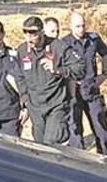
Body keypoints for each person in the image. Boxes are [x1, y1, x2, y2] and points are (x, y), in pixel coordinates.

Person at [15, 16, 85, 145]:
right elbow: (19, 75)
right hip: (35, 107)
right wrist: (25, 99)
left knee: (51, 143)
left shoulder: (58, 47)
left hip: (56, 105)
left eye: (33, 33)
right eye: (25, 32)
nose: (29, 37)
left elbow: (80, 68)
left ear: (42, 32)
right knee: (40, 146)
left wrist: (58, 70)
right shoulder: (22, 50)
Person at [62, 12, 107, 155]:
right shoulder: (64, 43)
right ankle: (79, 162)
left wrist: (103, 74)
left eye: (83, 25)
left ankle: (106, 161)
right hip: (74, 92)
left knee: (101, 129)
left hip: (92, 89)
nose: (81, 29)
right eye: (77, 26)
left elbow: (105, 53)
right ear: (70, 26)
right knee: (75, 130)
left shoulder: (93, 39)